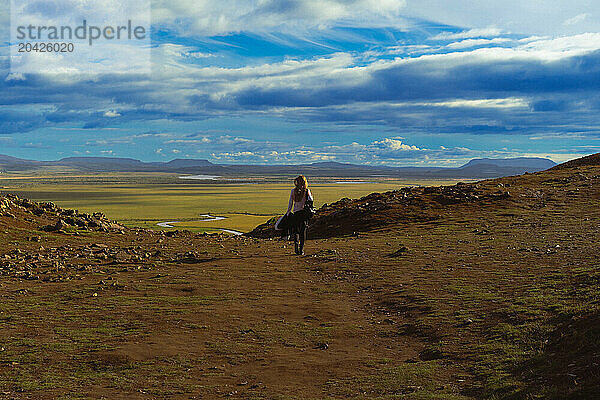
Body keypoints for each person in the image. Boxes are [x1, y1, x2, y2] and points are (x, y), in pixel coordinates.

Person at [286, 175, 313, 255]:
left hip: (296, 213)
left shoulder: (293, 191)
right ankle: (301, 250)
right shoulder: (307, 191)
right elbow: (311, 200)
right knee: (302, 232)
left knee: (296, 232)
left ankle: (296, 248)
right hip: (303, 214)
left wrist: (288, 212)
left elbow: (290, 203)